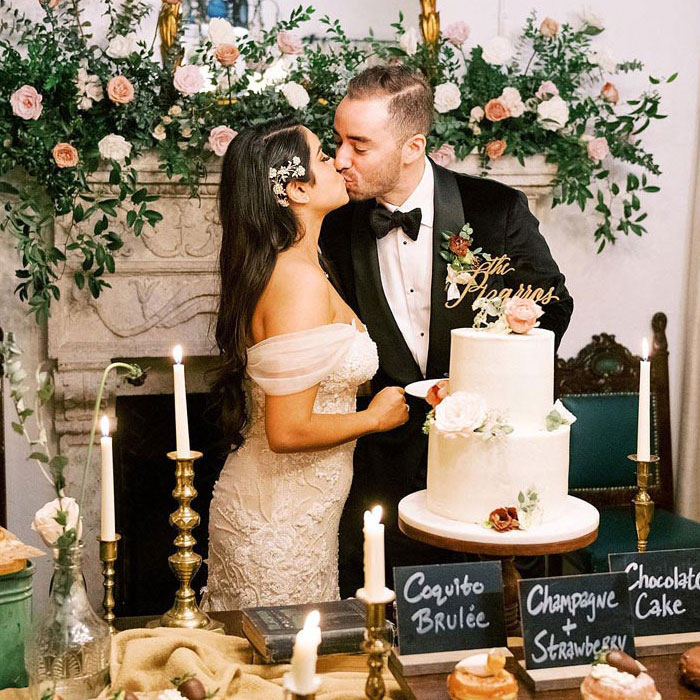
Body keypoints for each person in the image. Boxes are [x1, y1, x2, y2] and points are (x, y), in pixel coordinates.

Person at [320, 65, 574, 597]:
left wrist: (503, 348)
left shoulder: (494, 210)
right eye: (338, 140)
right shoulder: (333, 222)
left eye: (358, 145)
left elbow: (552, 304)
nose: (341, 158)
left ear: (413, 147)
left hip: (483, 468)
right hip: (378, 474)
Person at [205, 118, 409, 610]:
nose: (339, 161)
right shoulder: (295, 281)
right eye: (323, 156)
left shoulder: (305, 264)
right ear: (296, 189)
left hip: (301, 516)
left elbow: (315, 383)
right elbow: (286, 429)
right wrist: (374, 419)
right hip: (275, 524)